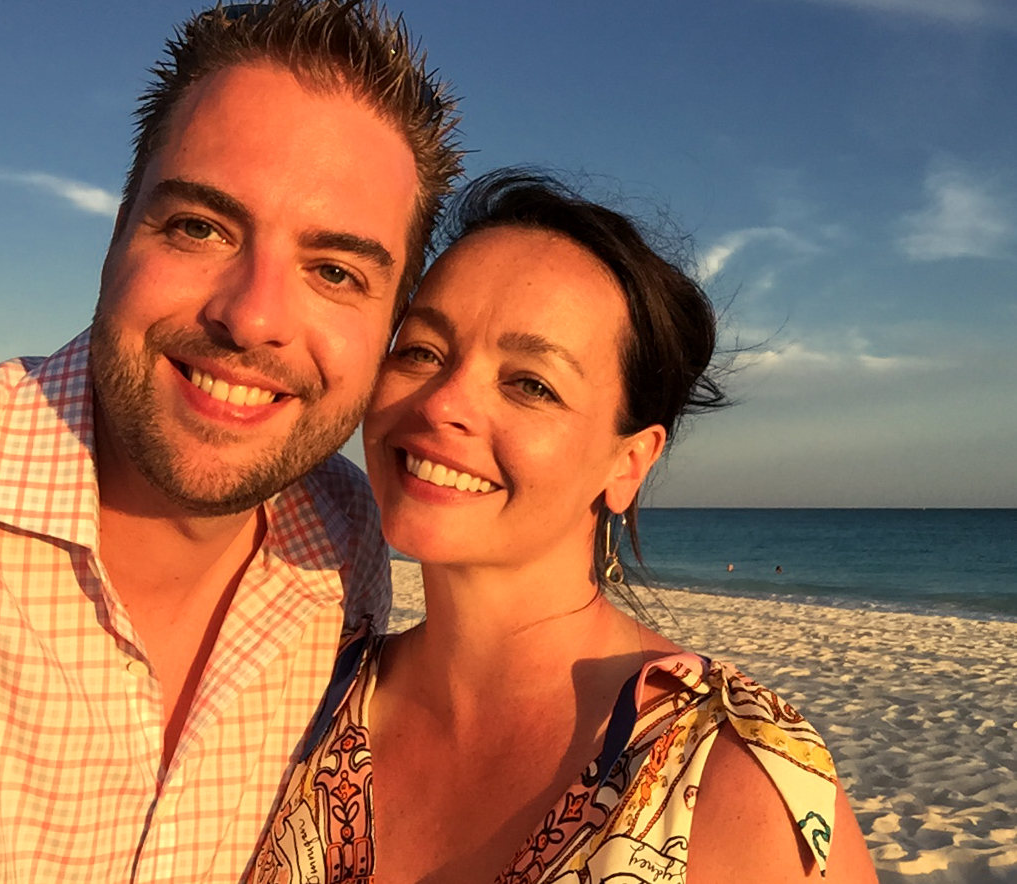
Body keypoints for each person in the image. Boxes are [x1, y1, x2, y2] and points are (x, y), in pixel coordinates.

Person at [0, 2, 461, 880]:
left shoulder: (343, 547)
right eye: (201, 227)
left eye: (334, 272)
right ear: (117, 235)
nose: (251, 318)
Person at [248, 171, 878, 883]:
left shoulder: (731, 784)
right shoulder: (305, 699)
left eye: (530, 384)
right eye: (421, 351)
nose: (443, 404)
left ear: (628, 462)